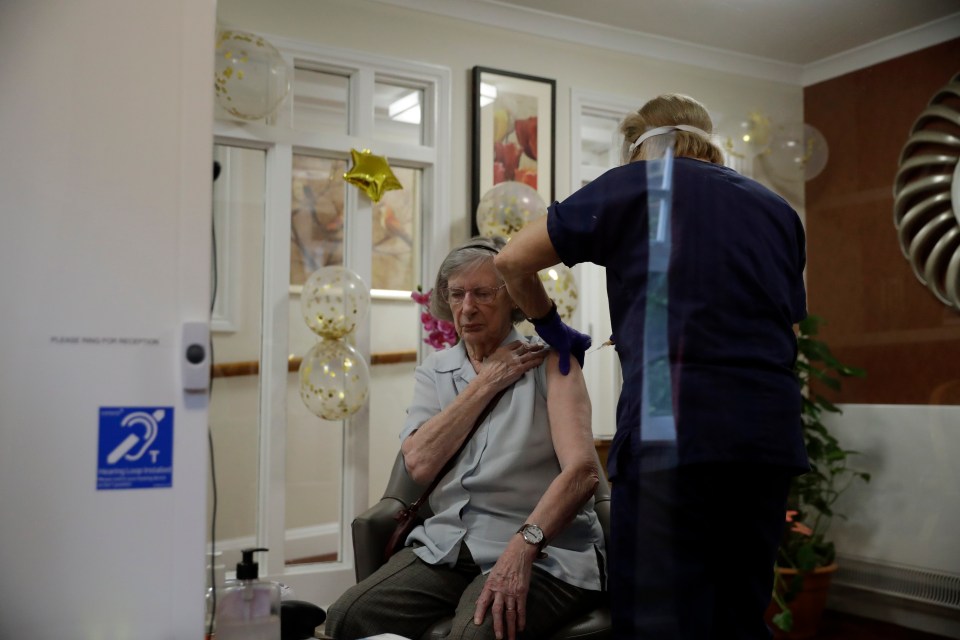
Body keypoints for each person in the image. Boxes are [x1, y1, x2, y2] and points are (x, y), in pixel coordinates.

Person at [495, 94, 809, 639]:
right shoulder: (778, 210)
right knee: (738, 612)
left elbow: (510, 260)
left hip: (674, 432)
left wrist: (552, 327)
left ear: (637, 145)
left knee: (657, 617)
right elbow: (788, 331)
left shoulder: (634, 184)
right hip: (766, 439)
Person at [325, 236, 606, 640]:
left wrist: (524, 545)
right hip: (448, 546)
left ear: (512, 298)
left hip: (542, 550)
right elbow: (418, 464)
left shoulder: (553, 362)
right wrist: (486, 383)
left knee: (471, 635)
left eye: (482, 293)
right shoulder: (435, 371)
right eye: (456, 295)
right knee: (348, 617)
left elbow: (582, 473)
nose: (467, 307)